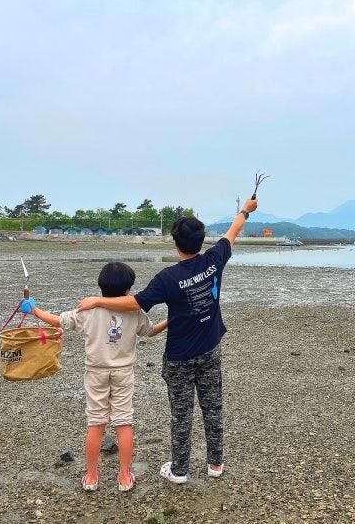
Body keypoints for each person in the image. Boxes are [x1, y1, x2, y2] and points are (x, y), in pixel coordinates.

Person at [77, 197, 258, 483]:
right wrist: (245, 211)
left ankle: (180, 470)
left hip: (179, 357)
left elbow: (134, 303)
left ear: (175, 243)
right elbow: (232, 231)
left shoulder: (168, 278)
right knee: (213, 408)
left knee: (181, 415)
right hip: (211, 349)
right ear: (201, 241)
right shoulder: (215, 259)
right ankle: (215, 465)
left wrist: (96, 301)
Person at [19, 262, 167, 492]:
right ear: (128, 290)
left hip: (96, 372)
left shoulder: (87, 310)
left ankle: (91, 477)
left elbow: (59, 321)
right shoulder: (134, 311)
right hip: (123, 372)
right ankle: (125, 476)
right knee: (123, 422)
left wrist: (34, 311)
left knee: (96, 423)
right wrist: (172, 320)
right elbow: (151, 331)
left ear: (101, 286)